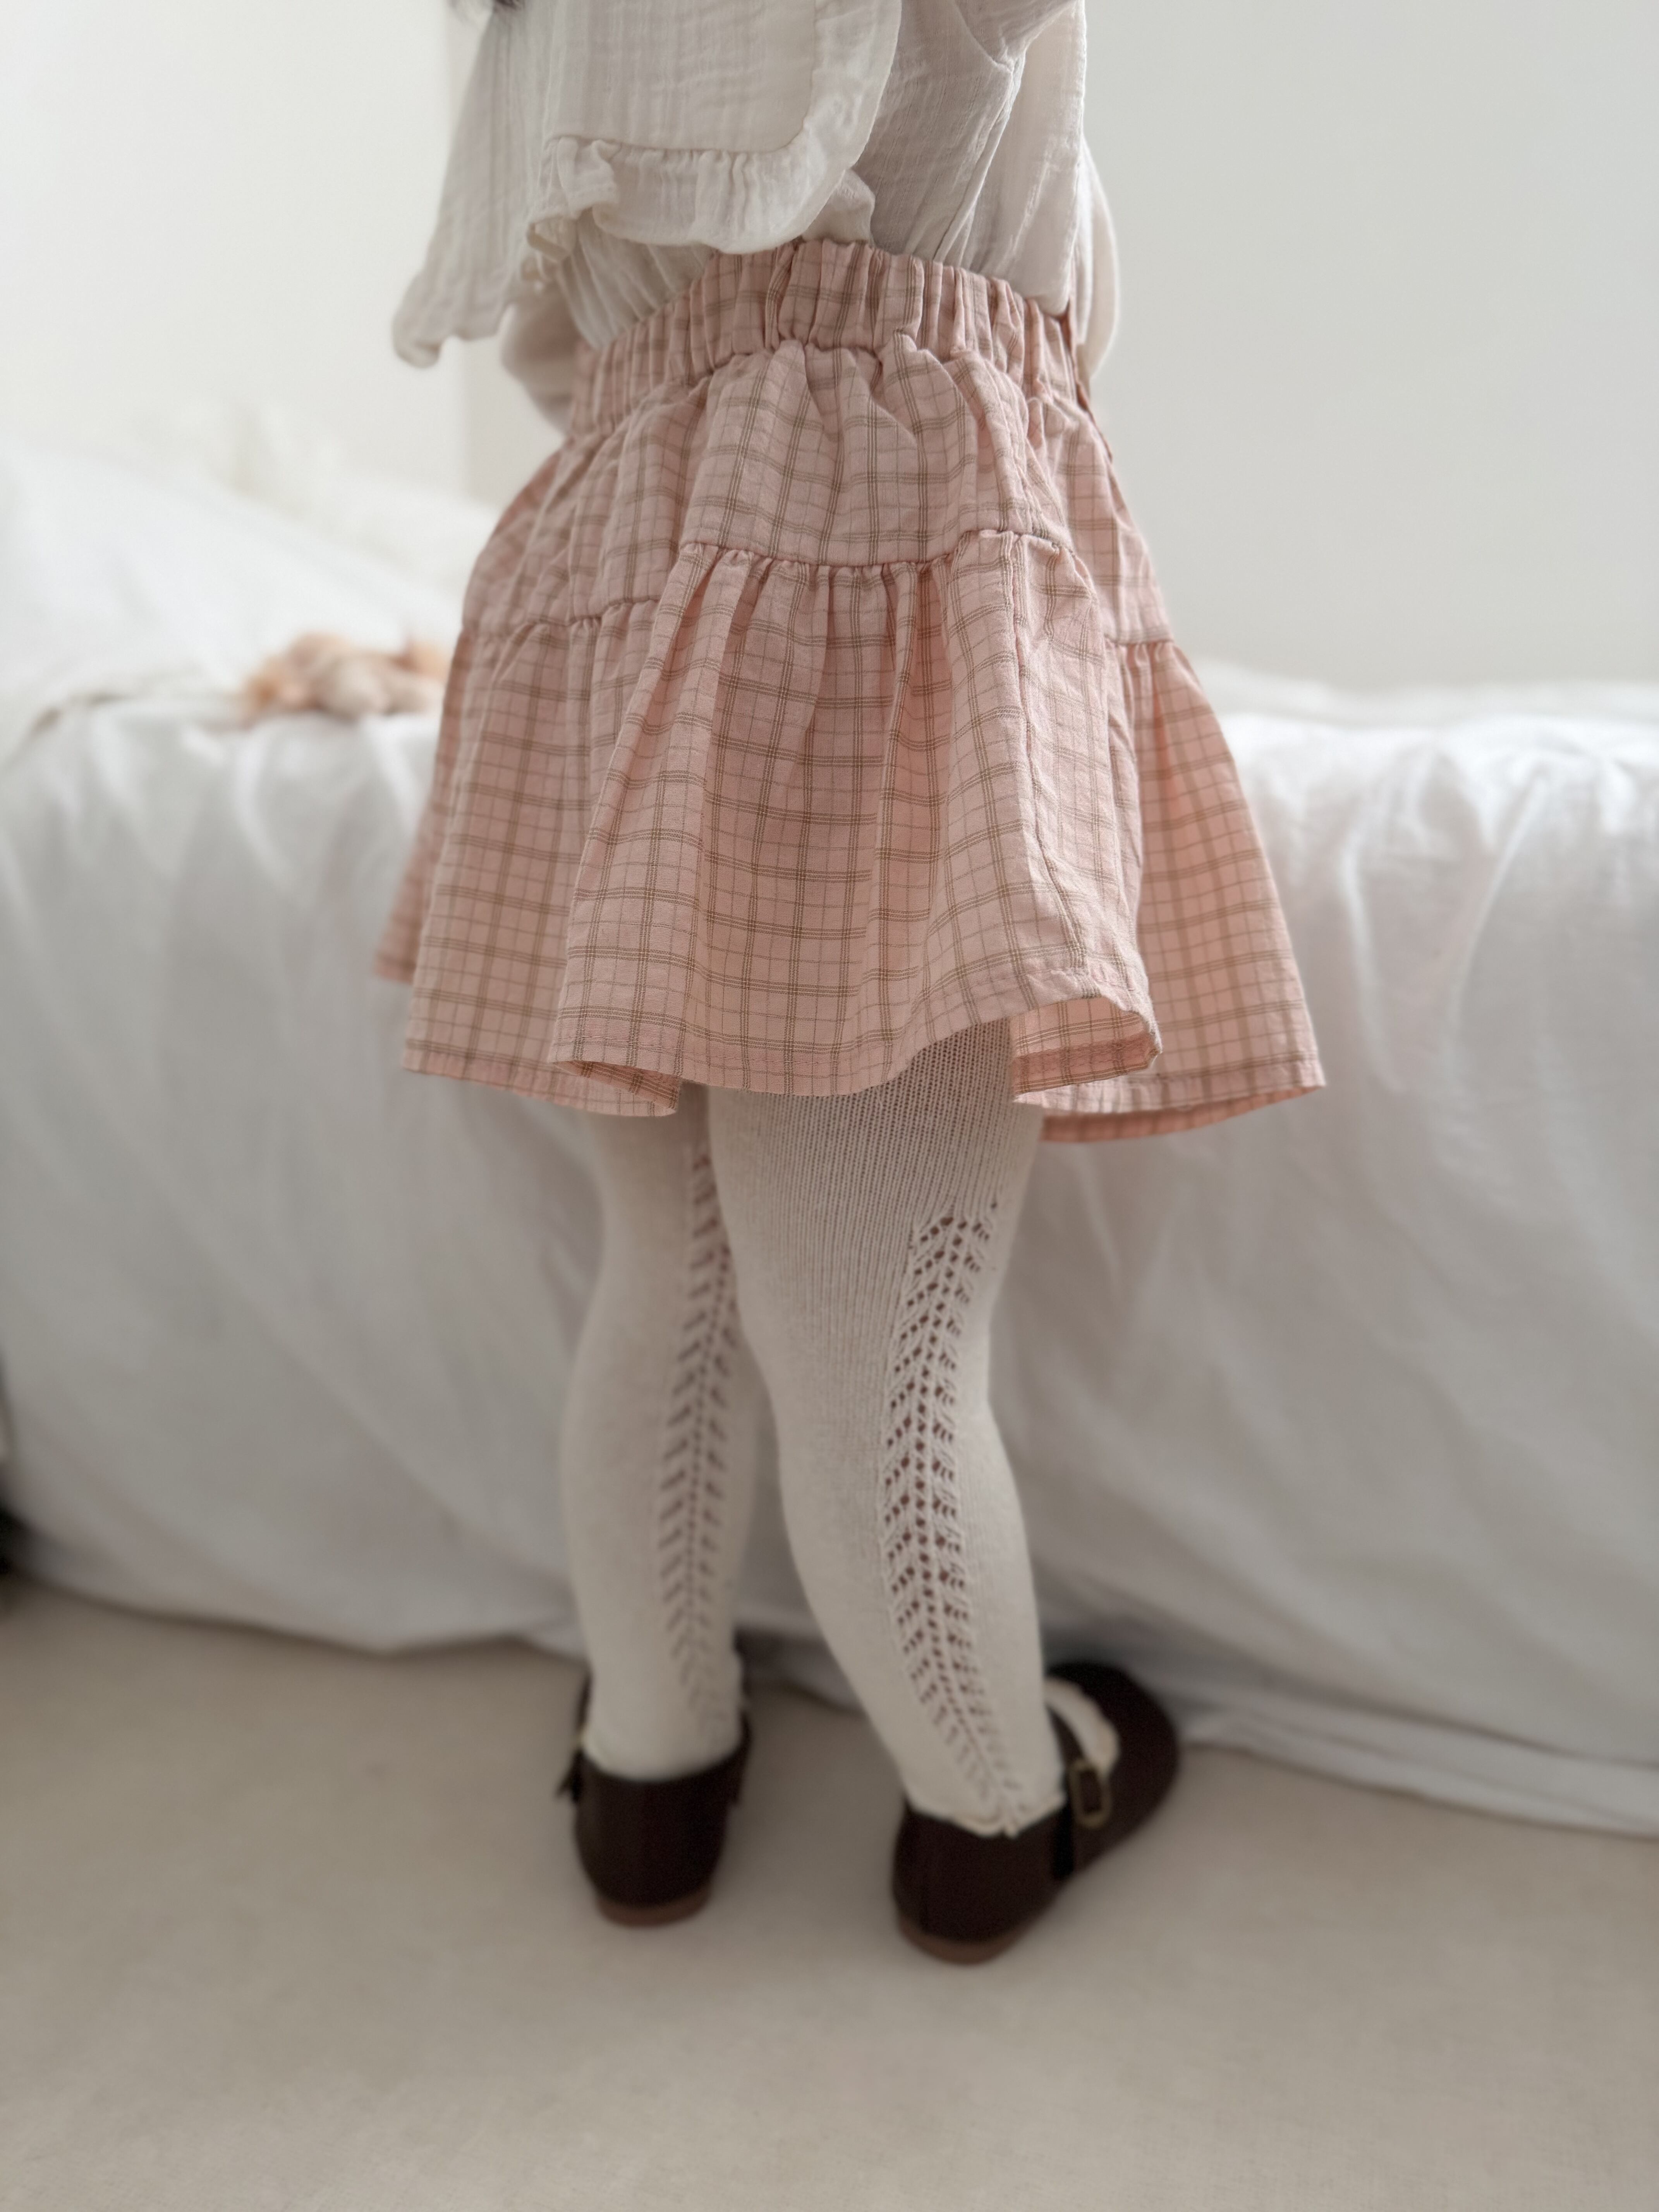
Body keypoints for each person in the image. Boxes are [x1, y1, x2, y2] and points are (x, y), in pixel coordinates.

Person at [379, 0, 1322, 1963]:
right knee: (877, 1341)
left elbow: (552, 348)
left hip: (616, 556)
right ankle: (993, 1812)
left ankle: (648, 1783)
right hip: (893, 505)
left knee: (671, 1265)